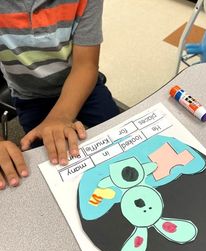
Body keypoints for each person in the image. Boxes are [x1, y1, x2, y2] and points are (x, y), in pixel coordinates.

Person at [0, 0, 120, 190]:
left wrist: (60, 116)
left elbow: (86, 65)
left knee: (120, 137)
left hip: (82, 83)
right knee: (49, 173)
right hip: (31, 97)